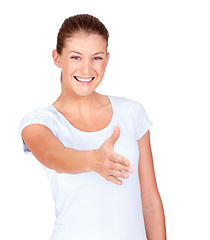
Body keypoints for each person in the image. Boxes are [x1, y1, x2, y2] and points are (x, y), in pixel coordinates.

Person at [20, 14, 166, 240]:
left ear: (107, 59)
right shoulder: (39, 121)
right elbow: (52, 155)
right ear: (57, 58)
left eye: (96, 58)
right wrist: (92, 161)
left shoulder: (132, 113)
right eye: (76, 57)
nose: (86, 69)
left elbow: (149, 200)